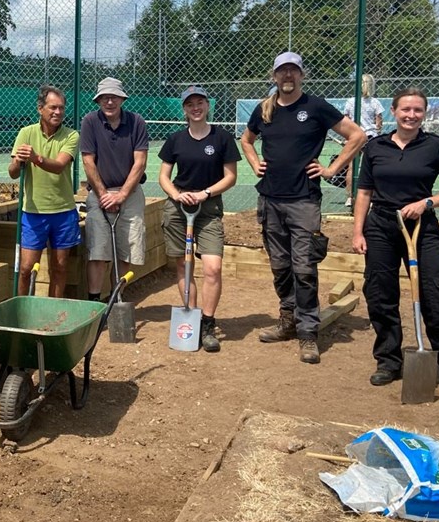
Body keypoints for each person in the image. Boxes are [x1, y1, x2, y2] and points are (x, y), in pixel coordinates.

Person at [240, 51, 365, 364]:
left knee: (304, 267)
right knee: (280, 265)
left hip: (304, 201)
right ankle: (288, 319)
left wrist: (332, 169)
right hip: (269, 199)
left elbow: (357, 135)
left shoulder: (316, 106)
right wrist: (255, 163)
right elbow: (246, 140)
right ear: (274, 76)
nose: (287, 77)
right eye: (282, 71)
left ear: (301, 75)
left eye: (293, 71)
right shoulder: (264, 109)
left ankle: (308, 332)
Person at [351, 88, 439, 398]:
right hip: (381, 226)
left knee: (436, 297)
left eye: (418, 110)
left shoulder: (437, 147)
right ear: (393, 111)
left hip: (422, 228)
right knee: (380, 294)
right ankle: (389, 361)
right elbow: (364, 192)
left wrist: (427, 202)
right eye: (405, 109)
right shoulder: (375, 147)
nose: (411, 115)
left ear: (424, 113)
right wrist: (357, 231)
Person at [158, 85, 240, 352]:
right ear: (184, 109)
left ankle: (207, 323)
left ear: (207, 106)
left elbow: (230, 177)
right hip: (179, 208)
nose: (195, 107)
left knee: (212, 267)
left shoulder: (222, 138)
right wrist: (177, 195)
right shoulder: (175, 140)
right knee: (184, 266)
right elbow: (163, 177)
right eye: (190, 104)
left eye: (200, 102)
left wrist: (205, 193)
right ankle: (190, 319)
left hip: (208, 208)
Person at [80, 77, 148, 303]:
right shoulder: (90, 121)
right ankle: (94, 303)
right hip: (100, 195)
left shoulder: (137, 122)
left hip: (130, 195)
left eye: (114, 97)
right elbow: (88, 161)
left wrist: (122, 195)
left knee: (125, 252)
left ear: (122, 99)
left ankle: (116, 301)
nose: (110, 102)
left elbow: (140, 162)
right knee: (97, 253)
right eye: (104, 98)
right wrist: (104, 195)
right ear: (98, 100)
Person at [9, 86, 80, 298]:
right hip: (33, 212)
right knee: (26, 268)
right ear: (40, 109)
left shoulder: (72, 135)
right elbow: (13, 172)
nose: (58, 112)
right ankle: (22, 309)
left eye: (61, 108)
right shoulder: (26, 133)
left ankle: (52, 311)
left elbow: (59, 166)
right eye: (53, 108)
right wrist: (18, 161)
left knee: (59, 267)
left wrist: (35, 158)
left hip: (63, 211)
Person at [342, 73, 385, 207]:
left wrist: (347, 136)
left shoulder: (350, 101)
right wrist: (375, 128)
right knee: (369, 167)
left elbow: (346, 120)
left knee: (351, 167)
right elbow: (379, 122)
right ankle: (369, 196)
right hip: (370, 137)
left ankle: (350, 197)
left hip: (354, 136)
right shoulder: (375, 102)